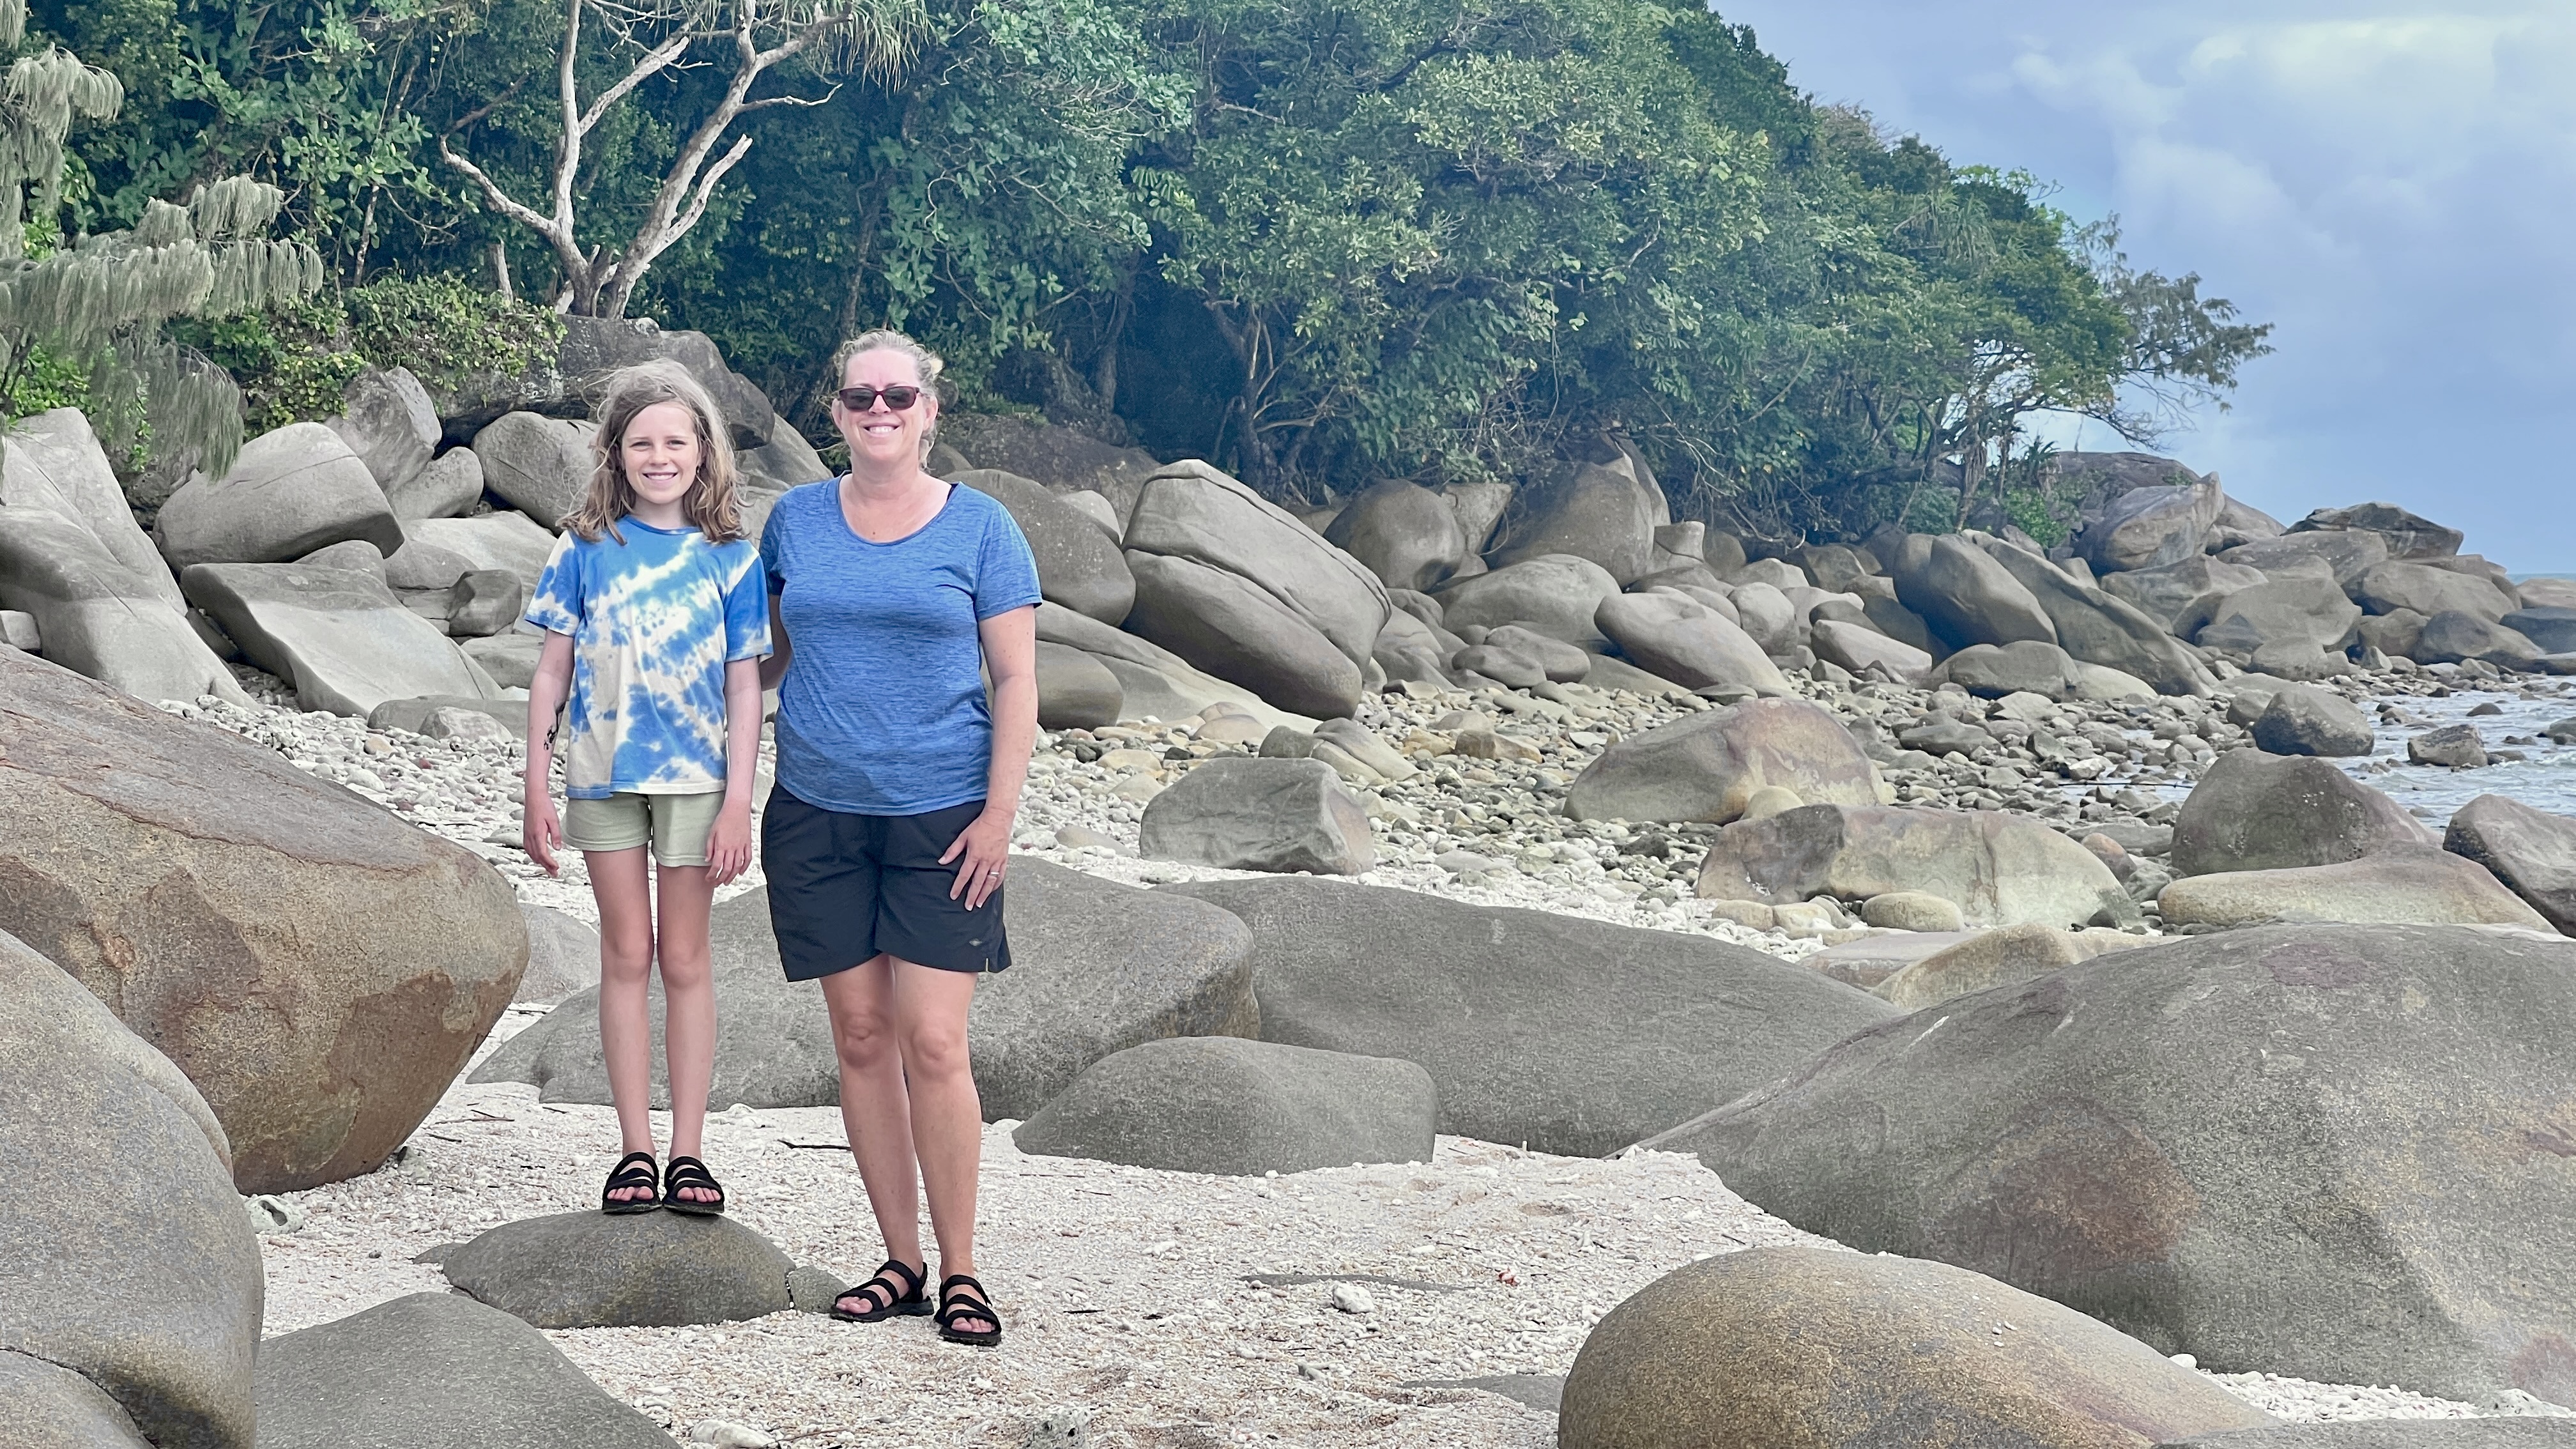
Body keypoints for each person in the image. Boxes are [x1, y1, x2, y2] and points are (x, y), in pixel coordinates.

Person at [757, 329, 1039, 1348]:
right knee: (863, 1040)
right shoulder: (793, 520)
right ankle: (901, 1262)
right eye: (860, 396)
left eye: (899, 395)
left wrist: (999, 816)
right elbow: (768, 658)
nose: (879, 410)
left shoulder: (983, 529)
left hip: (944, 818)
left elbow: (1016, 683)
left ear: (930, 410)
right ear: (834, 413)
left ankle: (963, 1269)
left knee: (933, 1040)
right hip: (818, 810)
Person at [519, 360, 770, 1218]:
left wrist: (742, 799)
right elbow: (550, 675)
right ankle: (634, 1149)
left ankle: (690, 1153)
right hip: (604, 780)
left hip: (700, 784)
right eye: (641, 443)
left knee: (687, 960)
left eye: (676, 440)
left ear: (703, 452)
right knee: (626, 957)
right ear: (615, 454)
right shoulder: (585, 548)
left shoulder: (732, 559)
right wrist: (535, 788)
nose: (659, 456)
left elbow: (747, 687)